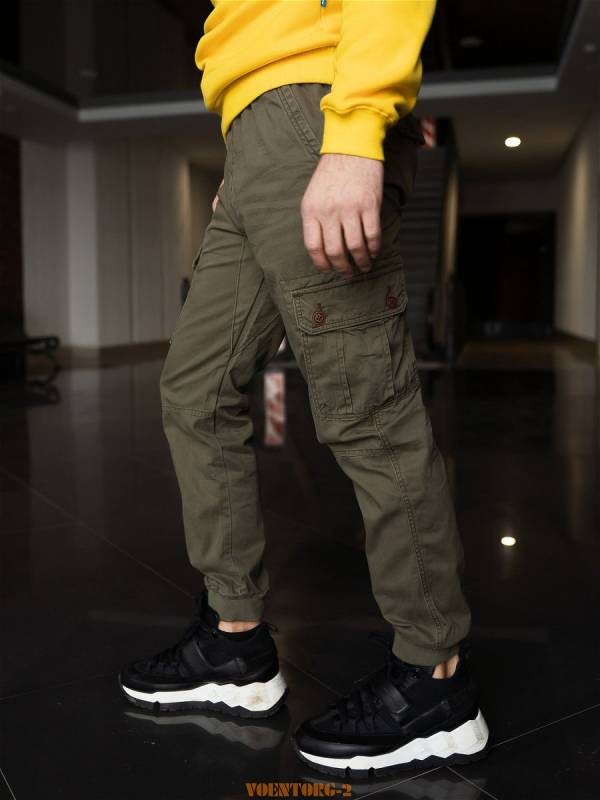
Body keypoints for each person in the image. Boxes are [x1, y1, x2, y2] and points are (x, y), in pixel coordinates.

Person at [119, 0, 490, 776]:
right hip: (257, 132)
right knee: (194, 392)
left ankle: (435, 683)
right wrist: (248, 149)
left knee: (368, 413)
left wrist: (352, 131)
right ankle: (234, 644)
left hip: (316, 110)